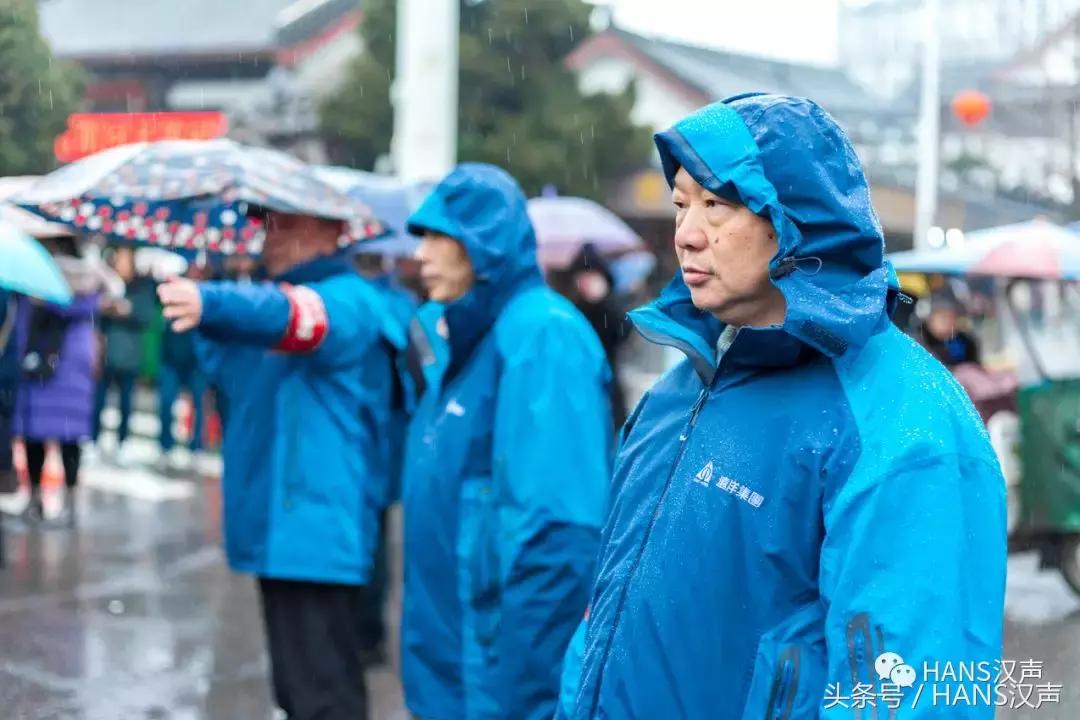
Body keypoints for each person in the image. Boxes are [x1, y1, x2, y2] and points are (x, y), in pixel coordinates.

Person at [558, 95, 1006, 719]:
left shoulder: (905, 419)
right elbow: (607, 612)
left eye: (716, 205)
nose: (685, 235)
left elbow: (910, 692)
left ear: (793, 217)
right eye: (681, 204)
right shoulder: (682, 385)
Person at [157, 209, 405, 720]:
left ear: (332, 232)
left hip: (314, 526)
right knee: (297, 690)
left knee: (323, 693)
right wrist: (205, 315)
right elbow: (230, 373)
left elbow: (301, 319)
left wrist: (212, 300)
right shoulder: (273, 304)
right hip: (280, 524)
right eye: (268, 224)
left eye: (286, 225)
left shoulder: (350, 298)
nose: (269, 238)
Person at [400, 163, 612, 720]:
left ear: (482, 245)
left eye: (438, 236)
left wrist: (528, 696)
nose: (420, 253)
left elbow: (558, 536)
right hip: (453, 669)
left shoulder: (542, 336)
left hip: (492, 681)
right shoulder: (462, 342)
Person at [13, 237, 103, 527]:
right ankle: (70, 503)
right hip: (69, 368)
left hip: (41, 364)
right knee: (68, 436)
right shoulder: (88, 286)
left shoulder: (37, 283)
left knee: (36, 435)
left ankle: (36, 500)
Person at [93, 247, 157, 464]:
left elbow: (147, 316)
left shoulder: (142, 288)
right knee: (99, 399)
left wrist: (127, 309)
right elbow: (97, 315)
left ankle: (123, 443)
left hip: (130, 355)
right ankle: (94, 441)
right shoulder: (106, 283)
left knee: (126, 402)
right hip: (107, 352)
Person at [566, 243, 631, 428]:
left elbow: (622, 333)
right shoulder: (572, 308)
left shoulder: (611, 306)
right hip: (578, 386)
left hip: (607, 385)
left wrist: (603, 302)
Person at [157, 261, 210, 471]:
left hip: (197, 361)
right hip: (172, 357)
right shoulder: (174, 291)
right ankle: (165, 446)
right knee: (166, 402)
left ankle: (196, 448)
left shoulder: (209, 295)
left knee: (199, 405)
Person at [920, 294, 981, 367]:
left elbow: (974, 367)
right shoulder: (918, 342)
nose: (948, 322)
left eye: (952, 317)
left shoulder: (966, 342)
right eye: (943, 318)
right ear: (930, 320)